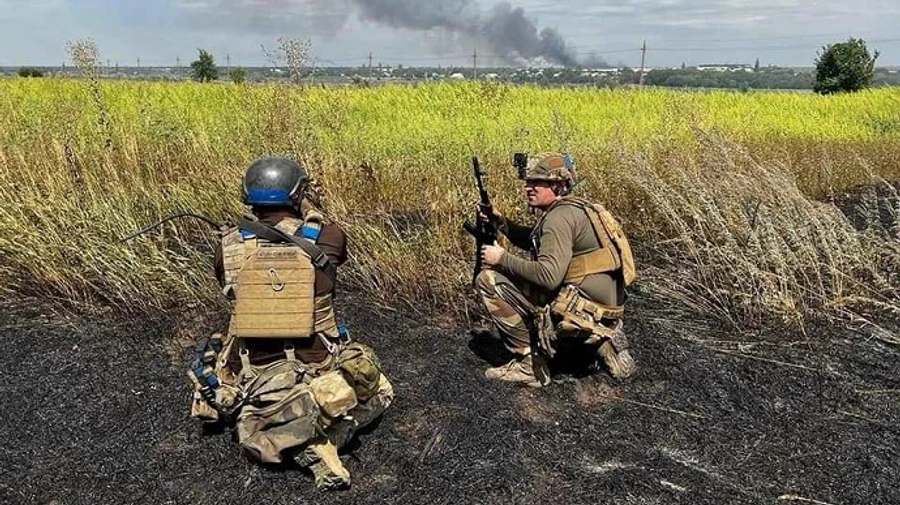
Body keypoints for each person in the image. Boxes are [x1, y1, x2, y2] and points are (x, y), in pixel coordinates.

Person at [189, 156, 393, 491]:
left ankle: (280, 427)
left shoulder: (227, 245)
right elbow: (337, 252)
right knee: (381, 389)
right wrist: (310, 211)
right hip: (320, 366)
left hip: (257, 375)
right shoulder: (327, 235)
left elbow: (226, 285)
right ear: (297, 194)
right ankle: (327, 437)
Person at [474, 152, 637, 387]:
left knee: (487, 280)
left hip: (581, 308)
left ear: (559, 185)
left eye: (539, 183)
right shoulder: (576, 209)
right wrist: (501, 223)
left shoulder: (557, 219)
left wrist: (501, 258)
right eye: (528, 182)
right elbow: (534, 239)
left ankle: (530, 366)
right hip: (607, 307)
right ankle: (603, 339)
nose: (529, 188)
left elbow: (548, 277)